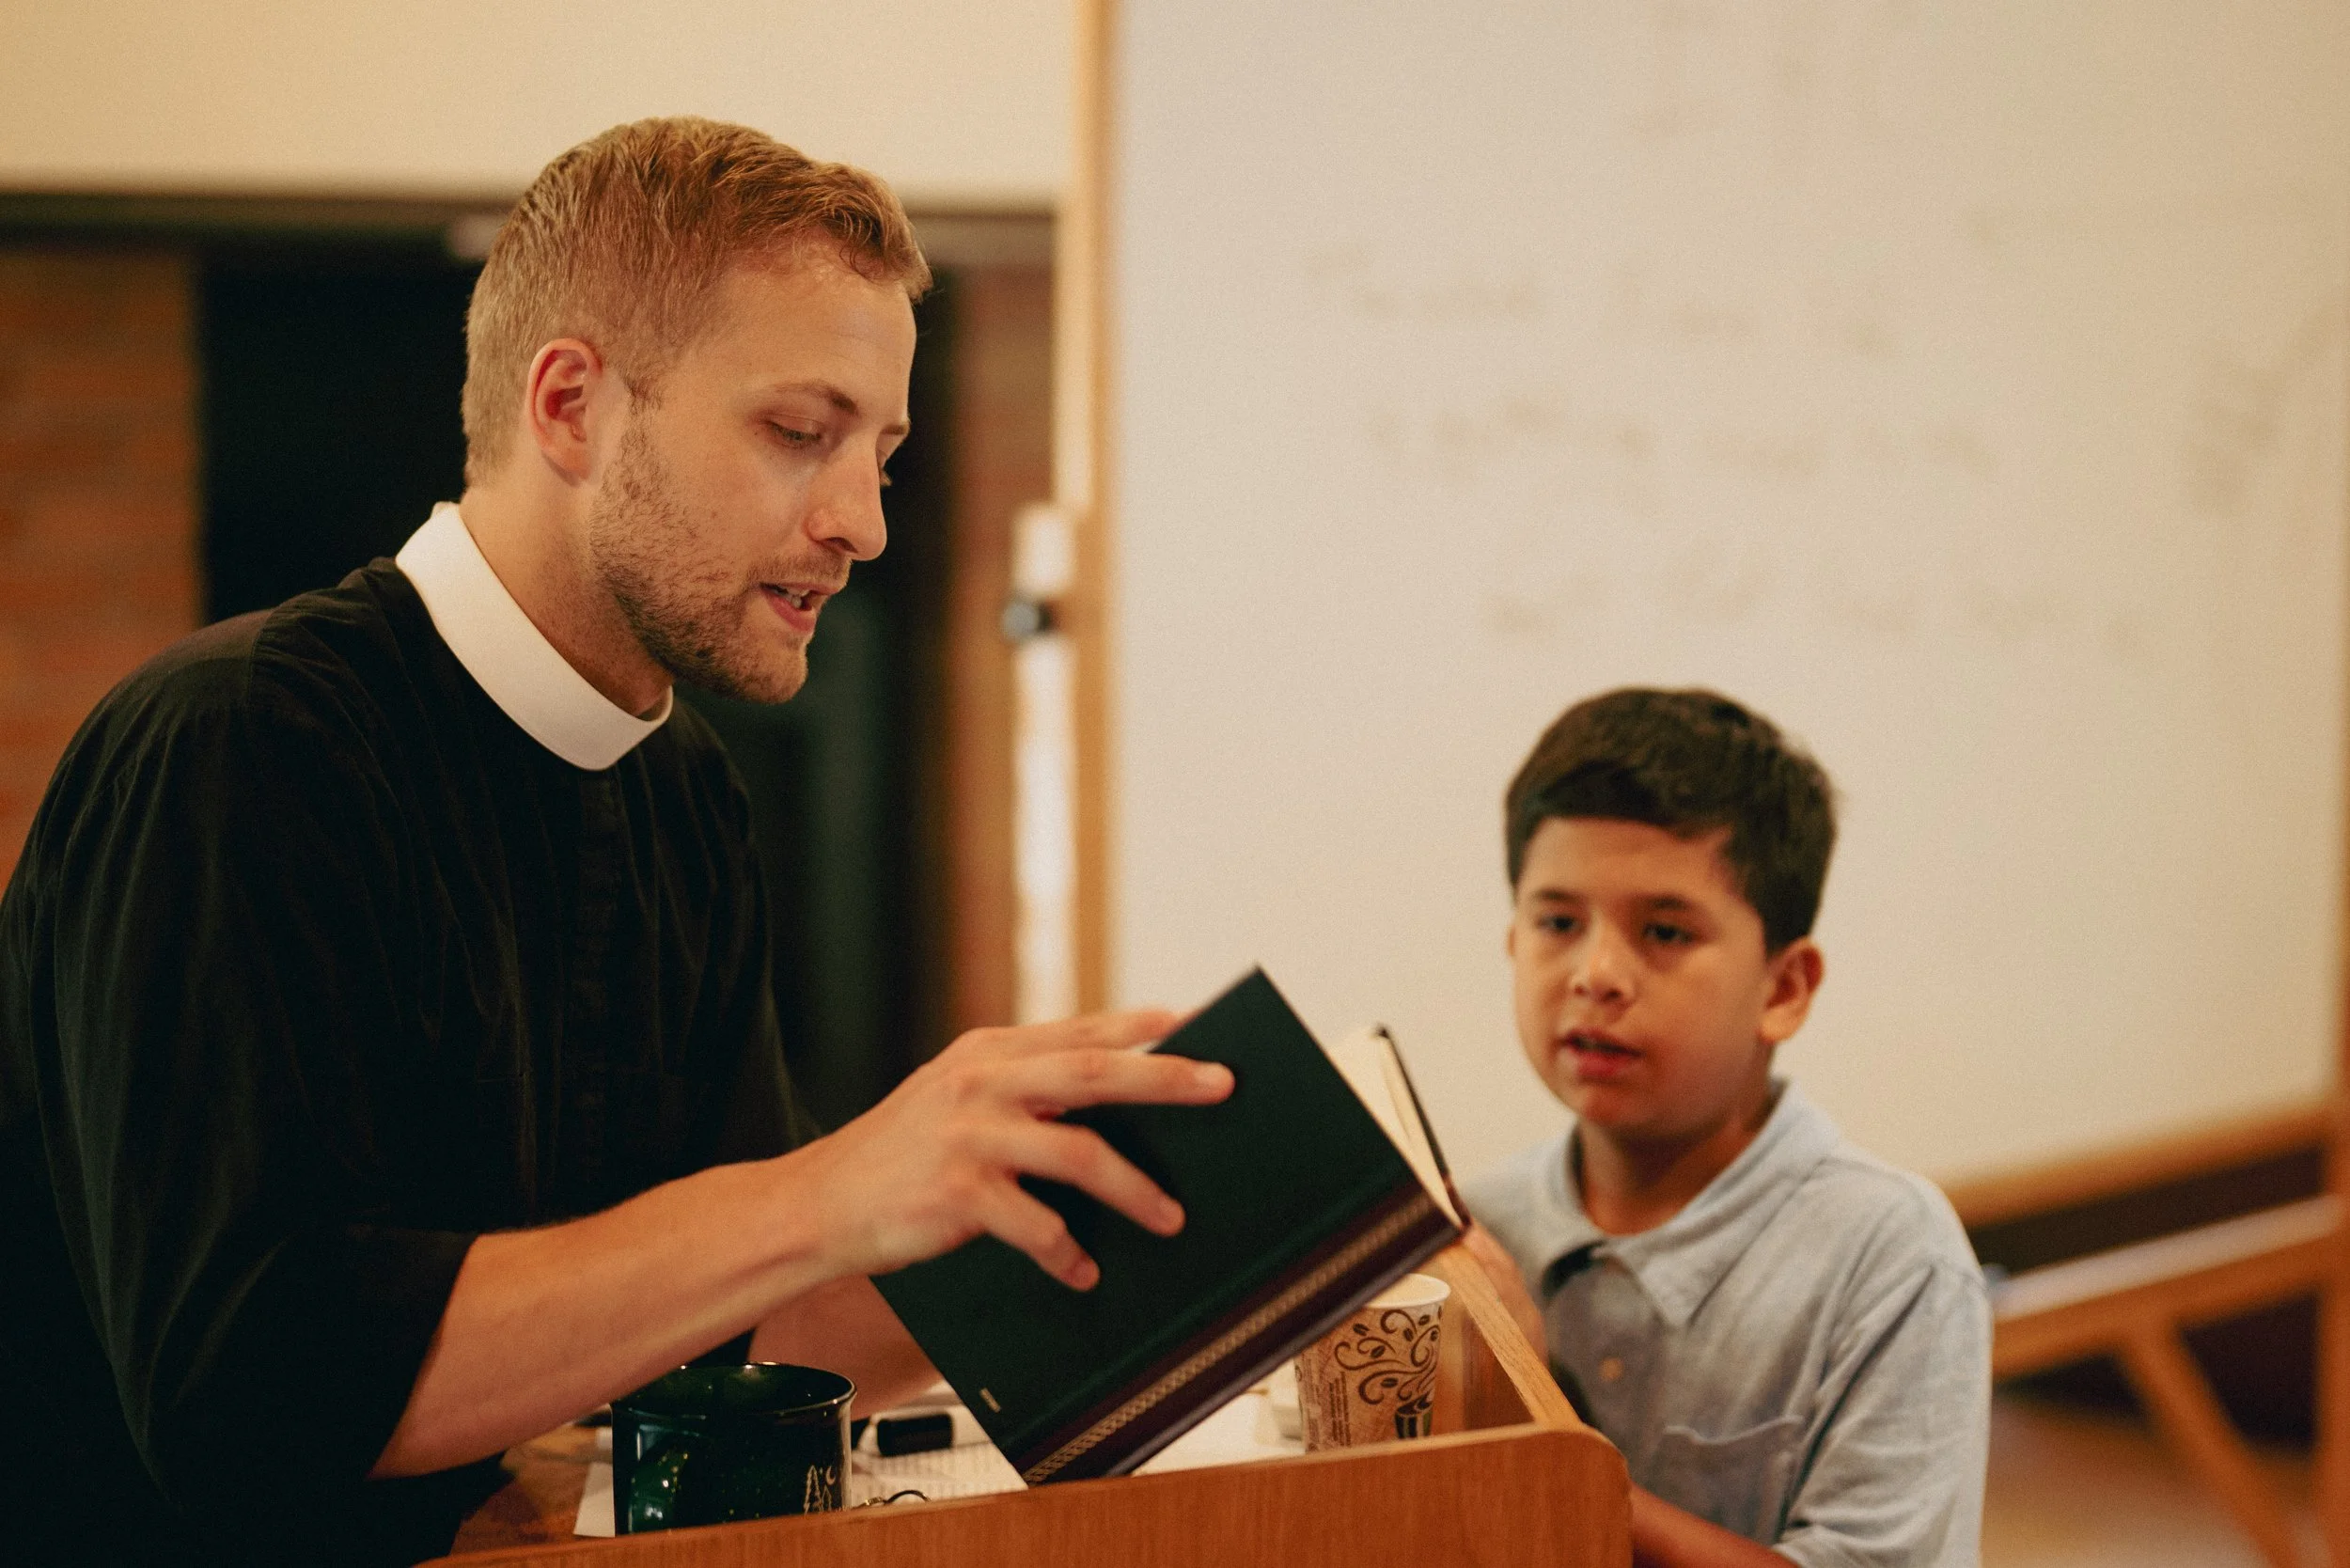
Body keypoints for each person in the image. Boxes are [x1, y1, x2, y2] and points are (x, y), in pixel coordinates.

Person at [0, 118, 1231, 1567]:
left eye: (884, 454)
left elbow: (717, 1336)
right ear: (573, 406)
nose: (863, 524)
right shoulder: (239, 745)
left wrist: (1142, 1233)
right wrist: (832, 1190)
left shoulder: (680, 790)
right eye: (799, 431)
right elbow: (254, 1401)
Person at [1459, 688, 1989, 1568]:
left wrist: (1538, 1431)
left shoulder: (1892, 1254)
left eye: (1664, 931)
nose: (1596, 973)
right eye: (1557, 921)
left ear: (1783, 989)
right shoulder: (1481, 1228)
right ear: (1514, 940)